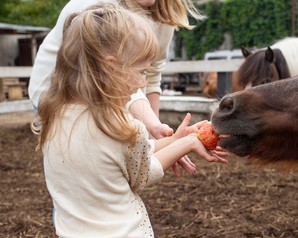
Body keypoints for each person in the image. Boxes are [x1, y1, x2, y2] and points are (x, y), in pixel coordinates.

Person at [32, 3, 228, 238]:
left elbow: (124, 155)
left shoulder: (54, 119)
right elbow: (145, 171)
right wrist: (187, 143)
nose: (142, 83)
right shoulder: (120, 127)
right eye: (140, 72)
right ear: (111, 67)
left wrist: (175, 138)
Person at [28, 0, 206, 177]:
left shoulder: (164, 16)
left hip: (112, 95)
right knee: (75, 173)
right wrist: (178, 145)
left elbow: (150, 75)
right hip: (66, 93)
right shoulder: (98, 11)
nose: (142, 82)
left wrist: (158, 133)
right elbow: (144, 171)